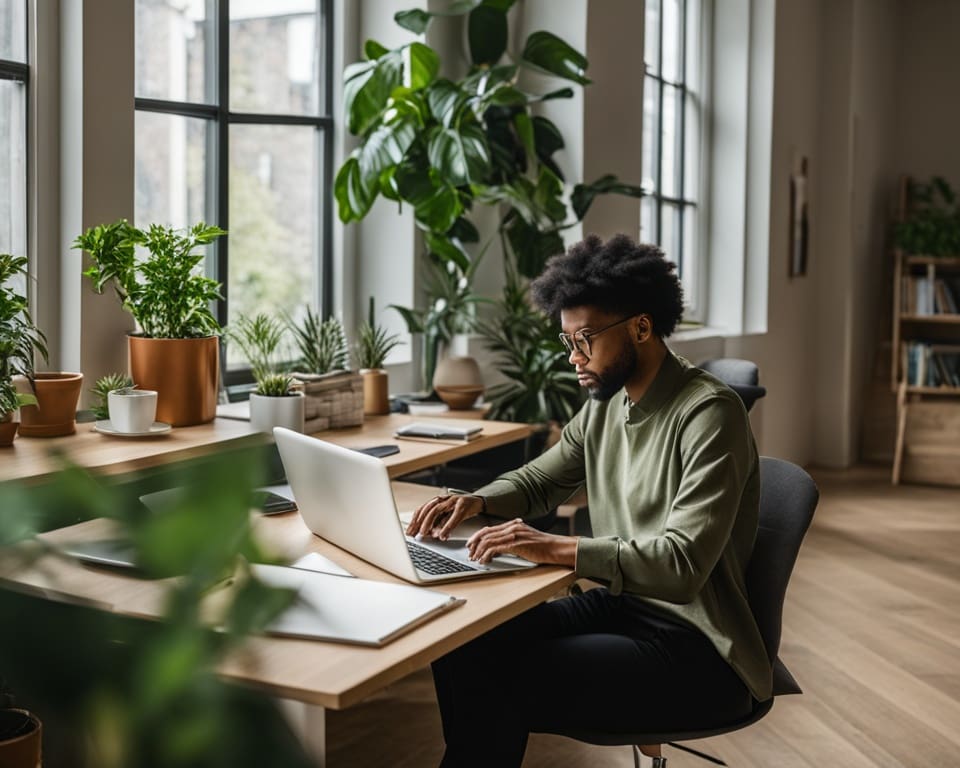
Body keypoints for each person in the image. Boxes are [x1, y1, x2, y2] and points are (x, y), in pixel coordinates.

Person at [406, 233, 771, 768]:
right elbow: (539, 481)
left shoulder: (709, 414)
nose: (575, 358)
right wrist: (475, 501)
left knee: (500, 675)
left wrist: (557, 548)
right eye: (568, 342)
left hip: (697, 645)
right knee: (463, 641)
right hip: (624, 606)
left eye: (585, 340)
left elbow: (681, 566)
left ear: (641, 328)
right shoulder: (607, 402)